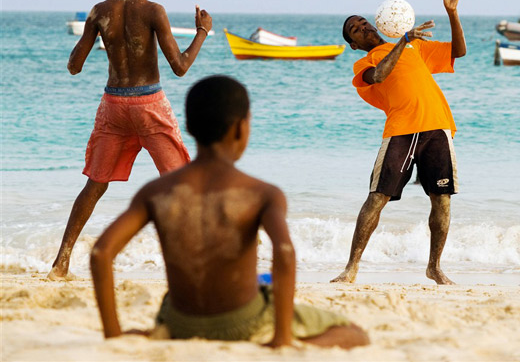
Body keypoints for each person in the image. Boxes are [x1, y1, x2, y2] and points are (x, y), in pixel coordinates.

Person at [90, 76, 369, 348]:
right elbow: (284, 252)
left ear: (188, 127)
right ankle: (289, 340)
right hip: (242, 320)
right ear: (240, 129)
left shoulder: (155, 191)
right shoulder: (262, 193)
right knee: (354, 333)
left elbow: (101, 252)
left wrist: (113, 336)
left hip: (179, 322)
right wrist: (281, 337)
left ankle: (144, 333)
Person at [48, 0, 213, 279]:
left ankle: (61, 263)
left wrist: (95, 37)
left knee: (95, 184)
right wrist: (202, 32)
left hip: (113, 105)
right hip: (149, 102)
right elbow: (180, 66)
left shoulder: (99, 11)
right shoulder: (153, 11)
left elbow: (74, 66)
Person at [332, 0, 466, 285]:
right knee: (377, 197)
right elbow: (380, 75)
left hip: (437, 127)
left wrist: (452, 12)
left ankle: (434, 267)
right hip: (401, 131)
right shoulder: (364, 63)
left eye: (363, 22)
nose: (363, 27)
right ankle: (351, 267)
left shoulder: (415, 47)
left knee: (442, 200)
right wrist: (402, 40)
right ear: (353, 43)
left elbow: (459, 51)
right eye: (355, 29)